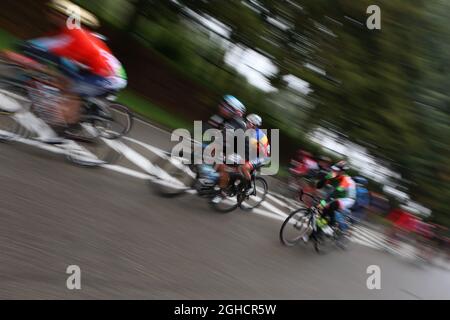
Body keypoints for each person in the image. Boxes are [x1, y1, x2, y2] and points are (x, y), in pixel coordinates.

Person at [13, 0, 128, 142]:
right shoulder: (69, 31)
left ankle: (61, 132)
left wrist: (28, 56)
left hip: (110, 76)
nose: (51, 15)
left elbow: (53, 50)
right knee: (64, 81)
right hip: (99, 70)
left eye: (57, 14)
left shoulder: (76, 35)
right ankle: (81, 111)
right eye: (51, 12)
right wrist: (29, 49)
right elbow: (48, 43)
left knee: (73, 90)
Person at [212, 114, 270, 204]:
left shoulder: (259, 136)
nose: (246, 123)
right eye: (247, 121)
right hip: (250, 152)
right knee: (230, 165)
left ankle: (250, 187)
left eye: (249, 123)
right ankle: (230, 185)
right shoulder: (244, 130)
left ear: (254, 125)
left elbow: (255, 152)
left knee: (244, 167)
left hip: (261, 156)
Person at [315, 160, 357, 234]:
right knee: (323, 212)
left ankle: (331, 224)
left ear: (342, 172)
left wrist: (324, 202)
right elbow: (318, 186)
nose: (334, 171)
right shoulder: (332, 174)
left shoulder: (346, 180)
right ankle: (317, 232)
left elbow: (336, 193)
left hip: (348, 198)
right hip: (338, 196)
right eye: (334, 169)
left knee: (330, 205)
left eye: (336, 170)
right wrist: (325, 178)